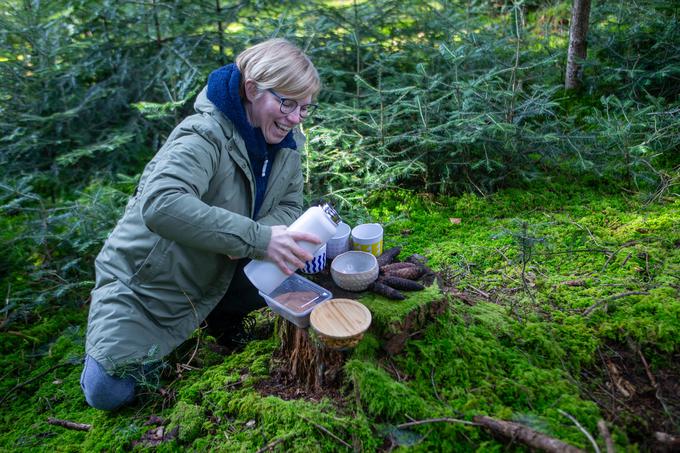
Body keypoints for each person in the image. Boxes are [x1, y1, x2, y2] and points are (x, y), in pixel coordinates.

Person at [80, 38, 322, 411]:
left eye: (304, 108)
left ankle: (219, 320)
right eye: (286, 102)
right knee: (106, 392)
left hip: (221, 271)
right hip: (150, 283)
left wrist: (250, 239)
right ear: (253, 88)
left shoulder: (286, 144)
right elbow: (161, 204)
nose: (293, 118)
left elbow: (291, 205)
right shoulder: (204, 134)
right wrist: (254, 237)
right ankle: (159, 336)